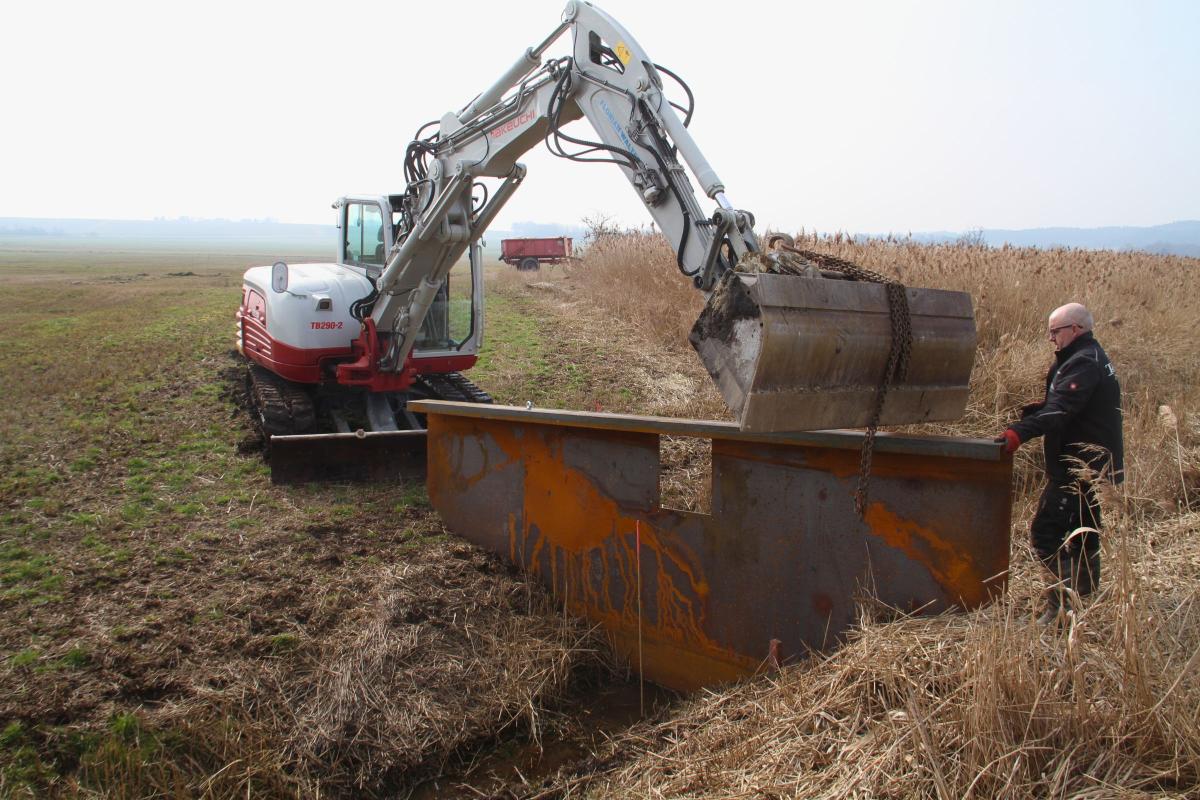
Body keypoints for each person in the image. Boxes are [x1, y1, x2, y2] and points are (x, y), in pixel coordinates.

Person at [995, 302, 1124, 624]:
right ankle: (1085, 598)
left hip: (1077, 467)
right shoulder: (1086, 356)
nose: (1051, 338)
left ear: (1075, 329)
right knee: (1083, 533)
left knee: (1046, 533)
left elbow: (1061, 410)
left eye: (1055, 331)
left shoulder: (1083, 362)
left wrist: (1018, 433)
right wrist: (1039, 409)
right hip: (1093, 464)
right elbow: (1070, 404)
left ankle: (1060, 610)